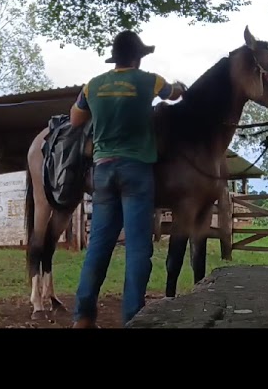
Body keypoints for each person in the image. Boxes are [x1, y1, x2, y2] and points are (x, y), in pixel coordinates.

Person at [69, 29, 187, 328]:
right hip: (136, 170)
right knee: (137, 248)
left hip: (103, 170)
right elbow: (173, 94)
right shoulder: (149, 80)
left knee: (98, 246)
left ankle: (83, 316)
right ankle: (132, 318)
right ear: (138, 57)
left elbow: (75, 119)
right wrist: (181, 87)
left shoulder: (92, 85)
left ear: (115, 58)